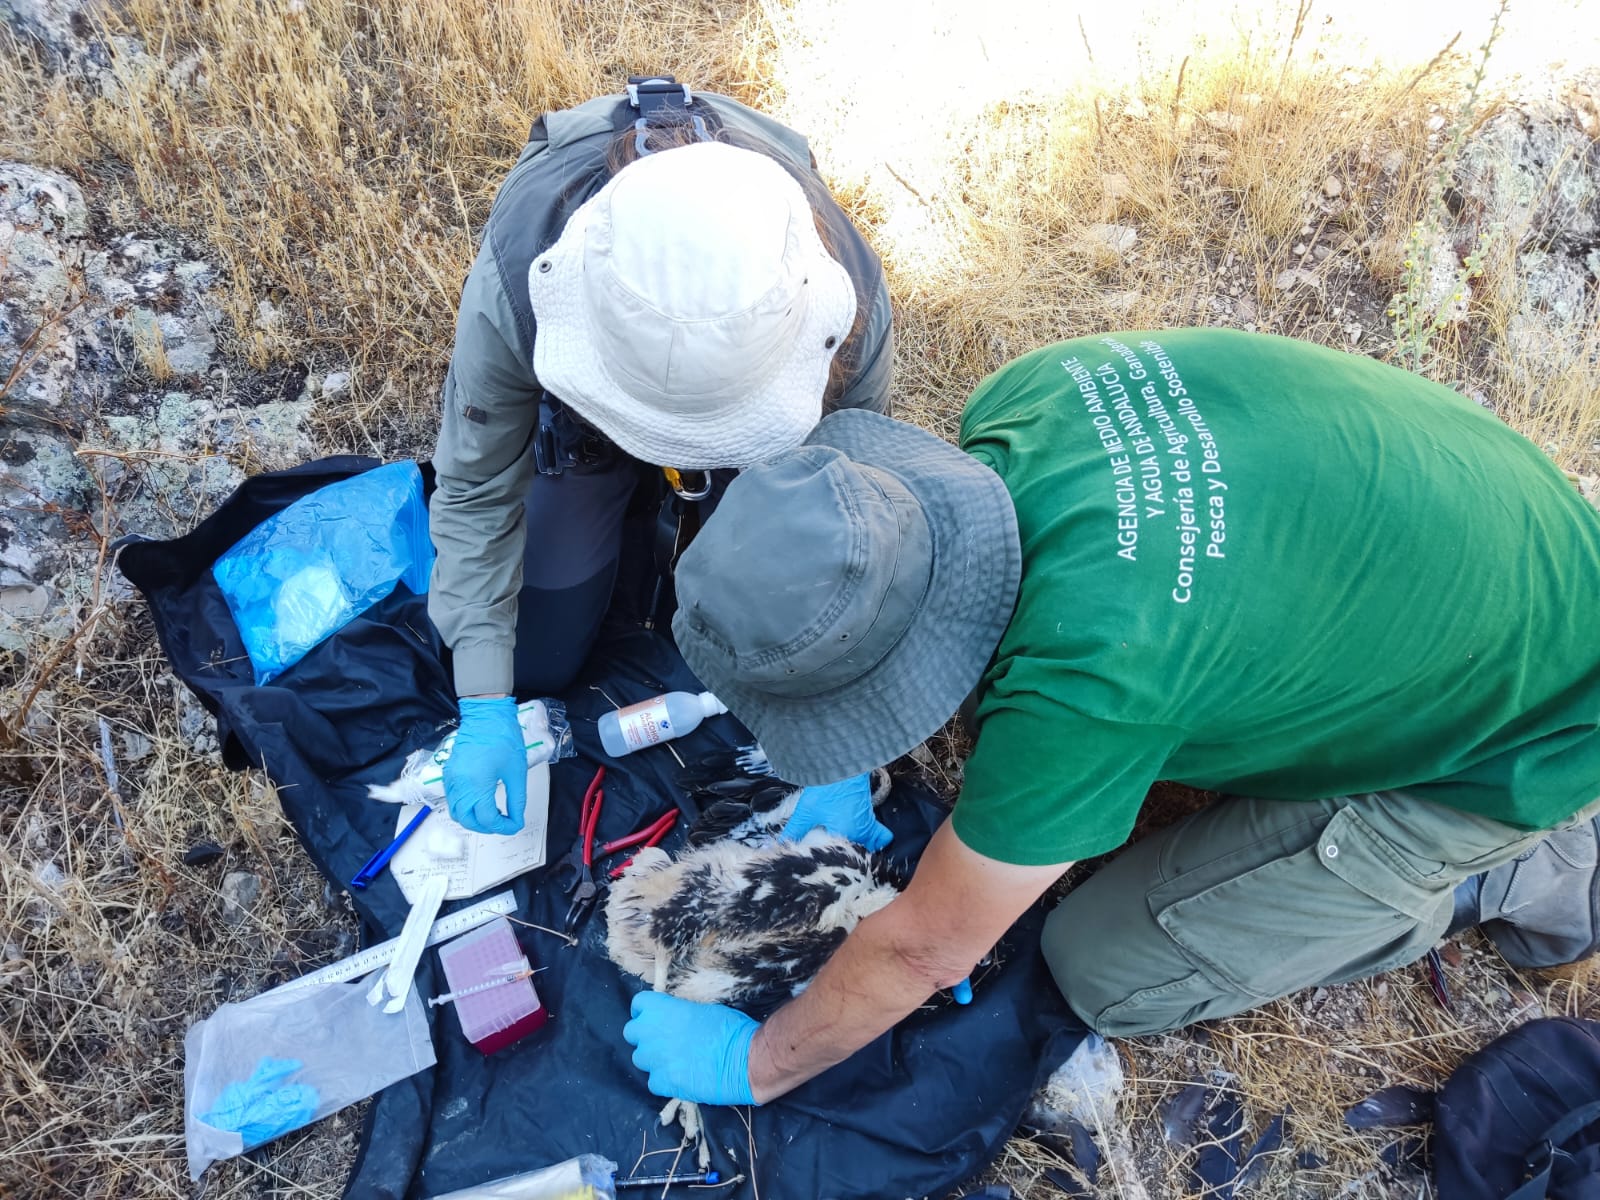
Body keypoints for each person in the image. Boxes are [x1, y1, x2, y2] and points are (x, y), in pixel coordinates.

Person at [621, 328, 1600, 1106]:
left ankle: (1527, 863)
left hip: (1545, 724)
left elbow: (925, 948)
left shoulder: (1085, 685)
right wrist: (842, 754)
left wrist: (758, 1065)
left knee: (1102, 967)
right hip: (1508, 537)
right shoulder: (1026, 396)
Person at [427, 79, 894, 835]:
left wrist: (840, 740)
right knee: (533, 663)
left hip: (766, 369)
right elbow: (477, 487)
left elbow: (853, 522)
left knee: (760, 618)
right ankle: (611, 466)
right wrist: (484, 699)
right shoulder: (519, 283)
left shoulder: (848, 303)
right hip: (587, 416)